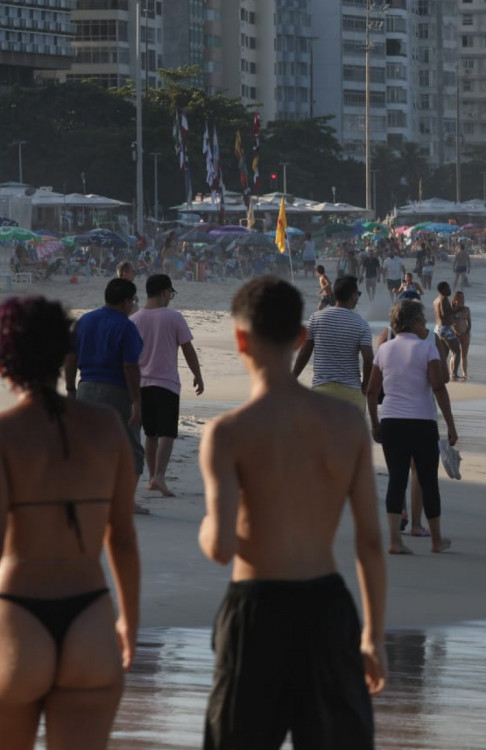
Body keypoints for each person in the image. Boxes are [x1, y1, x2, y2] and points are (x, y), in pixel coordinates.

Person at [0, 296, 141, 750]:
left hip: (16, 617)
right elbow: (122, 539)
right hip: (90, 616)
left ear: (2, 362)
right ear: (67, 353)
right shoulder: (107, 428)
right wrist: (130, 624)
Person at [198, 276, 386, 749]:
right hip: (327, 607)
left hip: (255, 608)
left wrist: (210, 525)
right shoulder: (346, 425)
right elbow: (368, 541)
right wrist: (373, 636)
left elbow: (220, 548)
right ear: (301, 336)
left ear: (241, 339)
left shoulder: (228, 433)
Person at [366, 298, 458, 554]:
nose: (426, 324)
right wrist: (450, 425)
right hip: (422, 422)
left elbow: (372, 391)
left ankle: (395, 541)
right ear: (415, 321)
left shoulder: (384, 349)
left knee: (397, 478)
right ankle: (436, 540)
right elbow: (438, 387)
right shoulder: (426, 348)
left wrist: (375, 422)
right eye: (423, 319)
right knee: (428, 480)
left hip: (392, 422)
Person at [64, 278, 146, 506]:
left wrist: (71, 389)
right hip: (117, 390)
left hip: (86, 388)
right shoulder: (125, 326)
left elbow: (70, 358)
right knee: (131, 448)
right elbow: (130, 366)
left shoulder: (85, 321)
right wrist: (136, 400)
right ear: (125, 302)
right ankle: (125, 501)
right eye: (133, 301)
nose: (132, 305)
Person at [130, 275, 204, 498]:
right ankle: (159, 475)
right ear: (164, 292)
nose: (170, 298)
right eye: (170, 294)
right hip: (166, 383)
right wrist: (197, 375)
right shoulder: (173, 317)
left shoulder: (135, 319)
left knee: (151, 433)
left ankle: (153, 476)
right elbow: (187, 349)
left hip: (141, 384)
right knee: (167, 433)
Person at [293, 275, 375, 411]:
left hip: (322, 392)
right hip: (351, 393)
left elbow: (304, 352)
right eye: (358, 294)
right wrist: (365, 386)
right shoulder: (361, 325)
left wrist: (293, 377)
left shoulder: (316, 318)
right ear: (353, 295)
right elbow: (369, 359)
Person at [432, 281, 464, 381]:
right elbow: (444, 314)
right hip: (445, 328)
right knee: (457, 352)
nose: (450, 290)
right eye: (448, 288)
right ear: (443, 290)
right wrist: (457, 309)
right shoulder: (443, 299)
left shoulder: (436, 300)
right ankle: (454, 374)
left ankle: (440, 373)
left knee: (444, 354)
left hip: (438, 328)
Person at [451, 290, 472, 380]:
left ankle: (464, 373)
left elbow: (469, 322)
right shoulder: (452, 309)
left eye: (463, 297)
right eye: (459, 297)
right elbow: (451, 323)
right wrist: (457, 333)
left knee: (464, 355)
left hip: (465, 334)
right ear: (455, 299)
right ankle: (452, 371)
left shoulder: (466, 309)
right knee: (454, 354)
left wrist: (467, 333)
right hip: (455, 334)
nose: (461, 299)